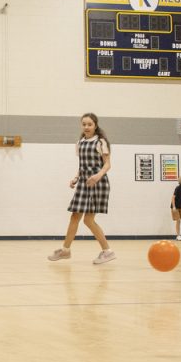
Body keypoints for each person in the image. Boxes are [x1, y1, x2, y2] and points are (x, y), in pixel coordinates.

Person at [48, 113, 115, 265]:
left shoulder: (101, 142)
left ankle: (107, 251)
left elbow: (107, 164)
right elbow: (82, 166)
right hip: (84, 182)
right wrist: (76, 177)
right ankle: (66, 250)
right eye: (84, 124)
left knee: (88, 220)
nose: (86, 127)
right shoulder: (80, 142)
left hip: (98, 182)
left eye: (89, 124)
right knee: (75, 216)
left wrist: (97, 176)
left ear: (95, 125)